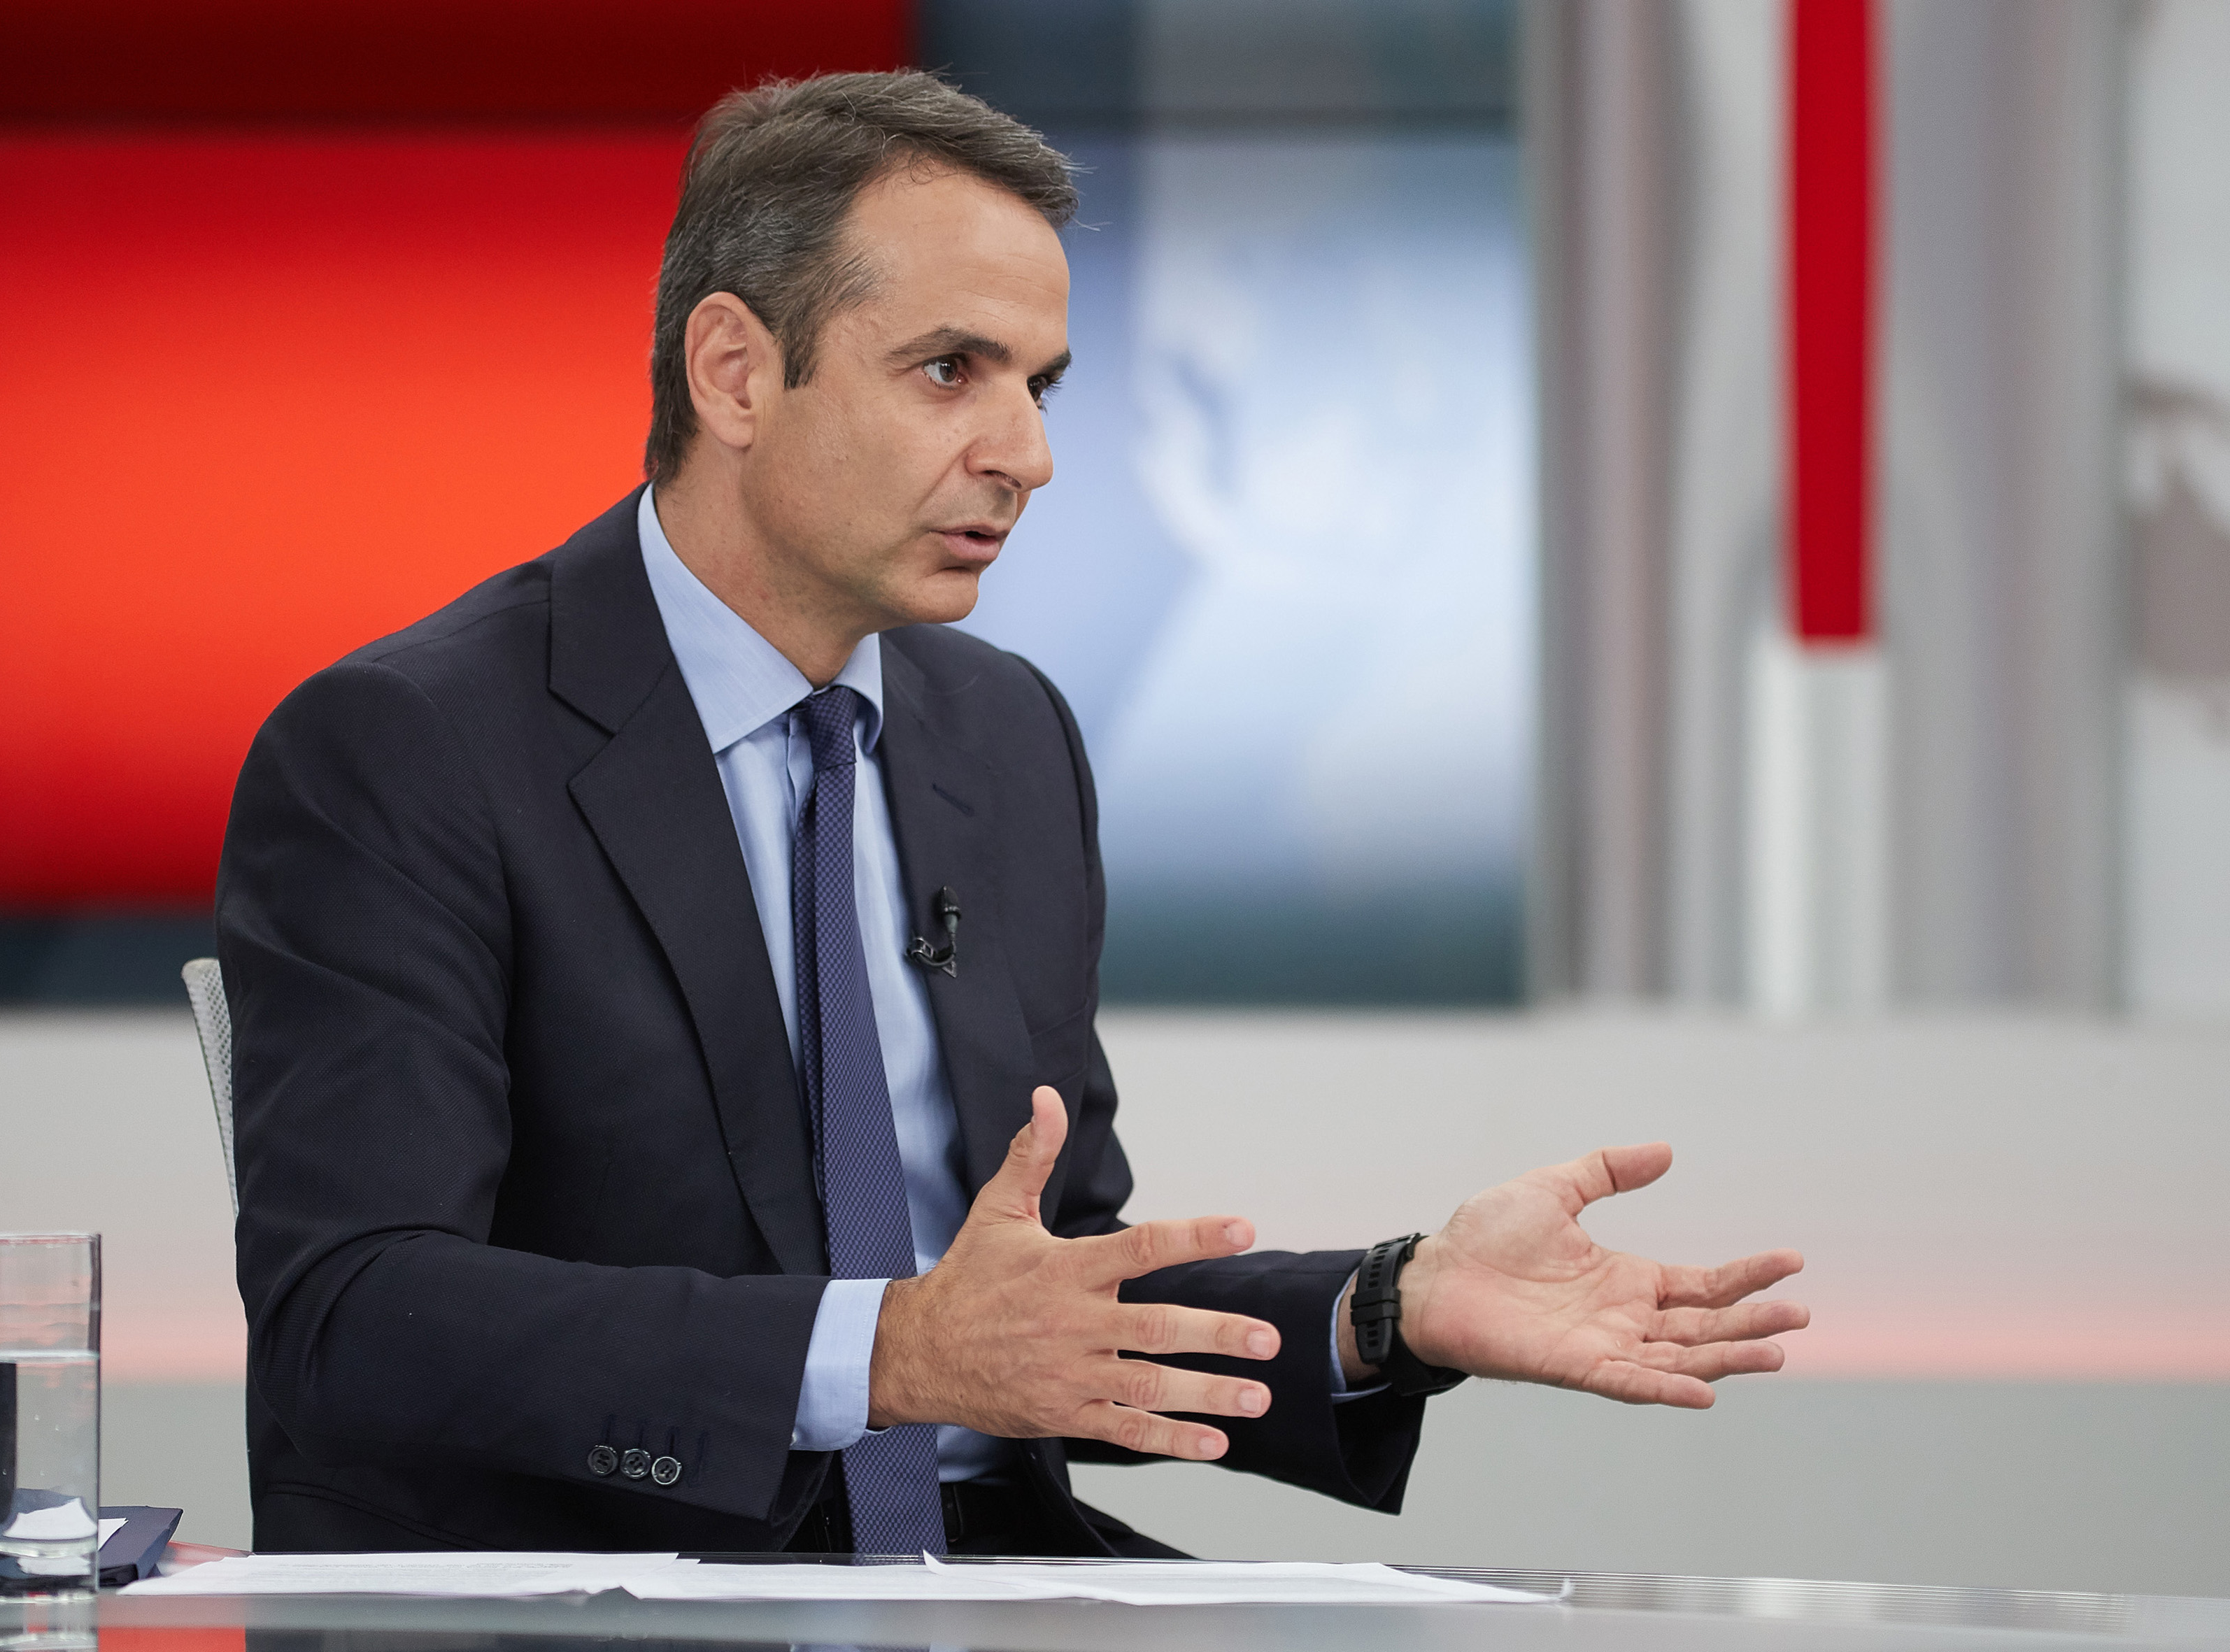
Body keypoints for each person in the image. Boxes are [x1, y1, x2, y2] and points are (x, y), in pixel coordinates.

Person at [218, 69, 1807, 1560]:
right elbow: (351, 1312)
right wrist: (889, 1352)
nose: (1029, 456)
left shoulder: (1004, 734)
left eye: (1037, 385)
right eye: (949, 371)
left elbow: (1051, 1288)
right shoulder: (406, 748)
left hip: (986, 1576)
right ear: (735, 372)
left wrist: (1385, 1307)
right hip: (620, 1593)